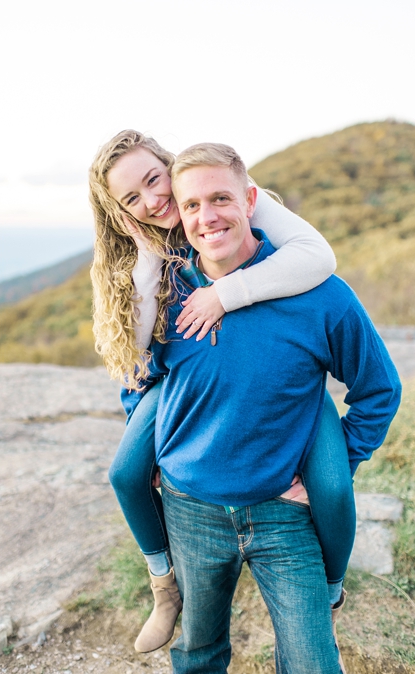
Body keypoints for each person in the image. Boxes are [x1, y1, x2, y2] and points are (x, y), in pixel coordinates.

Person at [88, 130, 353, 653]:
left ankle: (332, 588)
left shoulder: (228, 197)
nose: (153, 201)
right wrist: (144, 256)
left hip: (282, 377)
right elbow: (137, 358)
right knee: (124, 471)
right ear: (119, 213)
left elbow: (319, 257)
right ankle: (164, 586)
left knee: (332, 484)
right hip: (178, 386)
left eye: (153, 180)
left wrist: (225, 295)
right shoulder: (142, 254)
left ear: (171, 165)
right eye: (133, 199)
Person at [147, 142, 400, 670]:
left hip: (284, 512)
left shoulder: (320, 294)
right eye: (191, 205)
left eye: (220, 199)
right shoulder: (162, 295)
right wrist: (153, 447)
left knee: (313, 663)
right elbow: (137, 378)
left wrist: (335, 466)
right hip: (190, 508)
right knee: (196, 650)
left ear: (250, 200)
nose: (207, 217)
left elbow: (379, 388)